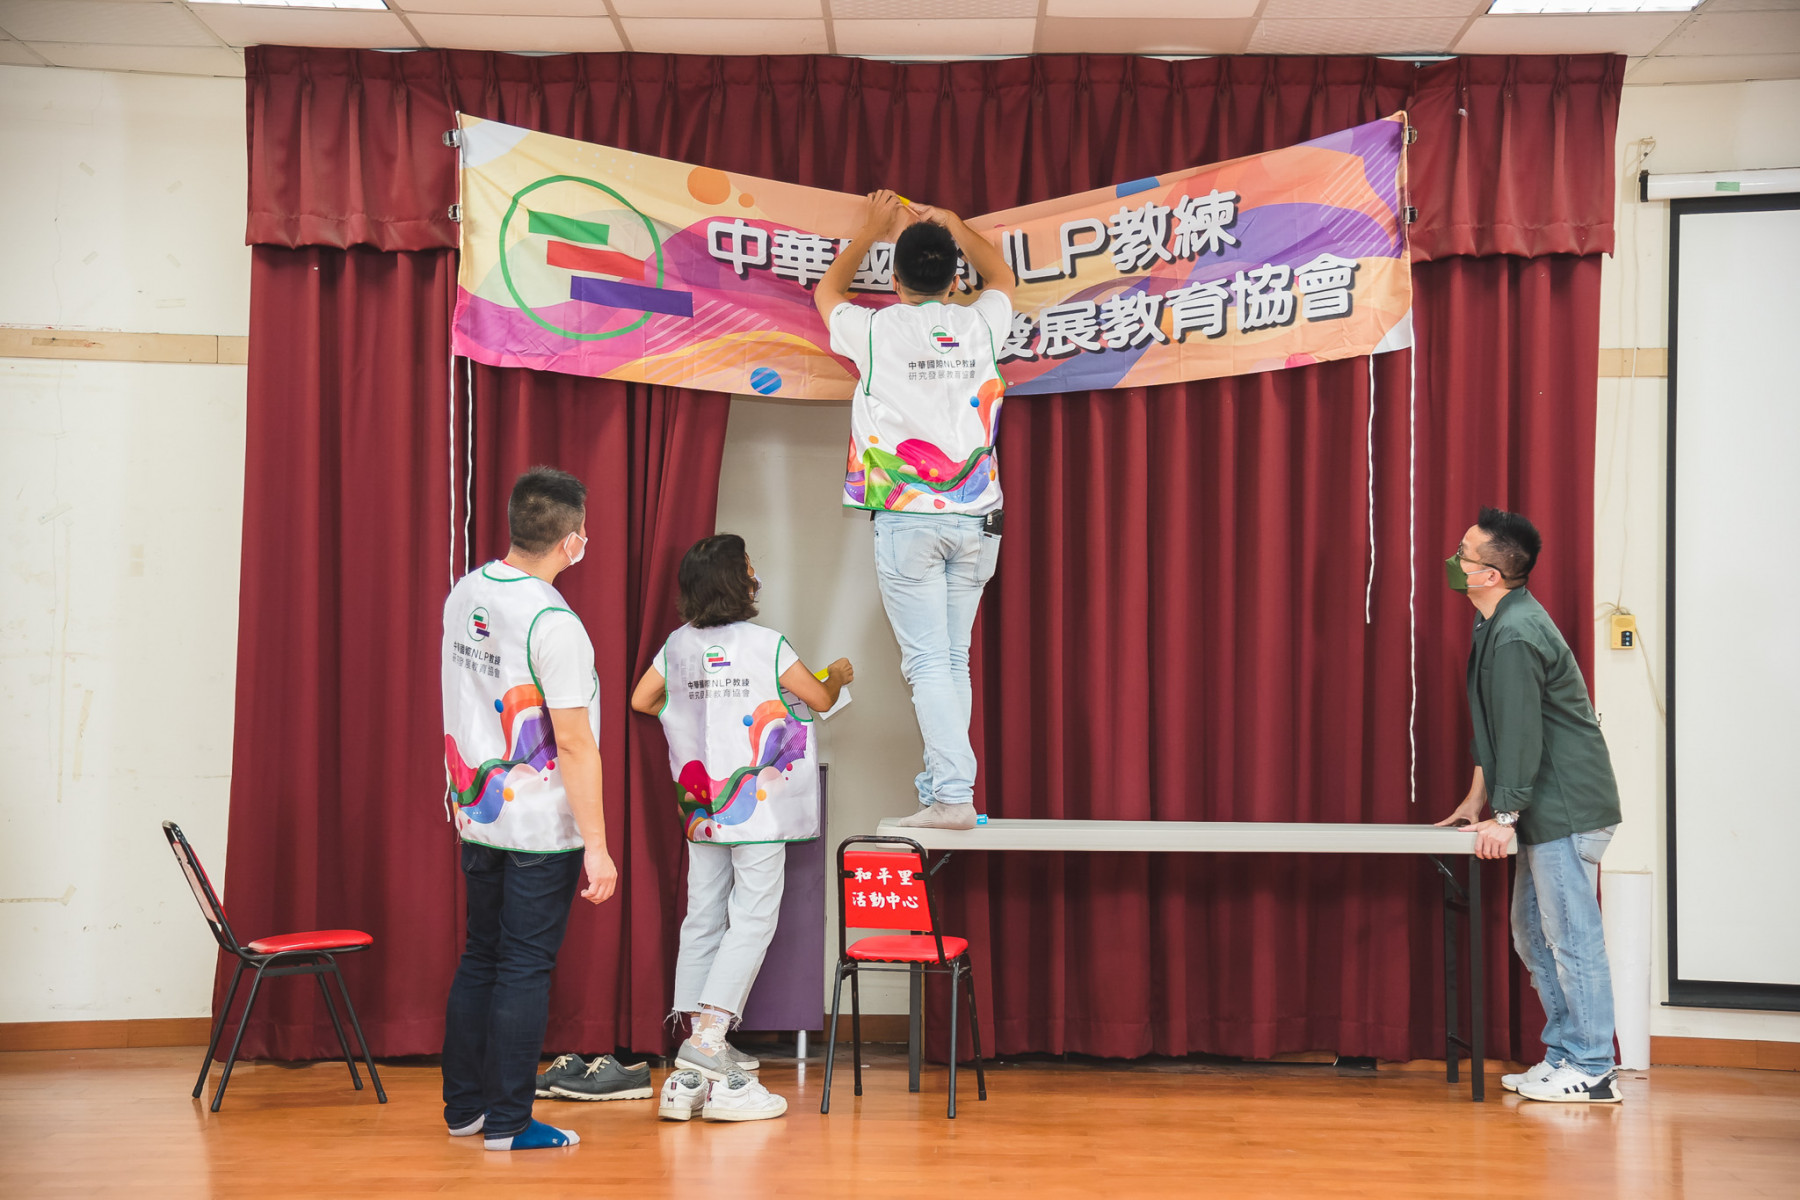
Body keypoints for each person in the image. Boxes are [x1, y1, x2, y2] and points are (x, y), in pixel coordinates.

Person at [630, 533, 852, 1122]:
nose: (755, 573)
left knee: (702, 916)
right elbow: (819, 699)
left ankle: (689, 1063)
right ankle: (709, 1038)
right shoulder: (766, 644)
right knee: (752, 919)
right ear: (737, 580)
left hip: (704, 808)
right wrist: (837, 673)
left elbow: (642, 700)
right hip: (758, 808)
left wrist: (692, 714)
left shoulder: (677, 645)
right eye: (749, 565)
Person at [814, 190, 1016, 831]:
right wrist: (956, 223)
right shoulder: (982, 323)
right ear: (956, 280)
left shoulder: (876, 331)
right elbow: (1003, 277)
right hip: (978, 520)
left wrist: (870, 231)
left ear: (894, 282)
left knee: (930, 662)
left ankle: (953, 795)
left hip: (910, 522)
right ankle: (945, 788)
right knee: (950, 661)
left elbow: (827, 292)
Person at [440, 466, 621, 1150]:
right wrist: (597, 846)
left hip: (478, 812)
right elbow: (573, 742)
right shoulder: (555, 623)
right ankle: (510, 1123)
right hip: (541, 828)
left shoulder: (467, 591)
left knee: (481, 955)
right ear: (572, 540)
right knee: (523, 966)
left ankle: (466, 1111)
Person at [1434, 507, 1624, 1104]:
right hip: (1543, 809)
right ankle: (1565, 1054)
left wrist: (1506, 814)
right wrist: (1477, 801)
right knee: (1532, 936)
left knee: (1572, 939)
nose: (1454, 561)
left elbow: (1521, 735)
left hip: (1566, 809)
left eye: (1463, 554)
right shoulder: (1496, 622)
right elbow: (1495, 729)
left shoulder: (1515, 632)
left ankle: (1593, 1068)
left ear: (1489, 575)